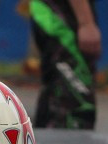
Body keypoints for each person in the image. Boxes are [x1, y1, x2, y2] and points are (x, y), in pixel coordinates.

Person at [29, 0, 100, 129]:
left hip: (52, 14)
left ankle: (43, 143)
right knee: (73, 105)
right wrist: (86, 23)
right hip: (59, 17)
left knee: (55, 94)